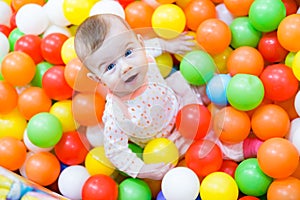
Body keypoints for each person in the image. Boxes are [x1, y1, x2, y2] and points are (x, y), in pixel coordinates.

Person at [74, 13, 262, 180]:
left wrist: (168, 44)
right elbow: (115, 151)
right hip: (171, 135)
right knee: (207, 145)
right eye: (110, 67)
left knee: (195, 78)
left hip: (178, 95)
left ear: (139, 44)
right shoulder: (117, 114)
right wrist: (142, 169)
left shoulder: (143, 55)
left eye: (128, 53)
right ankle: (246, 147)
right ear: (97, 79)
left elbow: (152, 46)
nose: (125, 67)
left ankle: (231, 87)